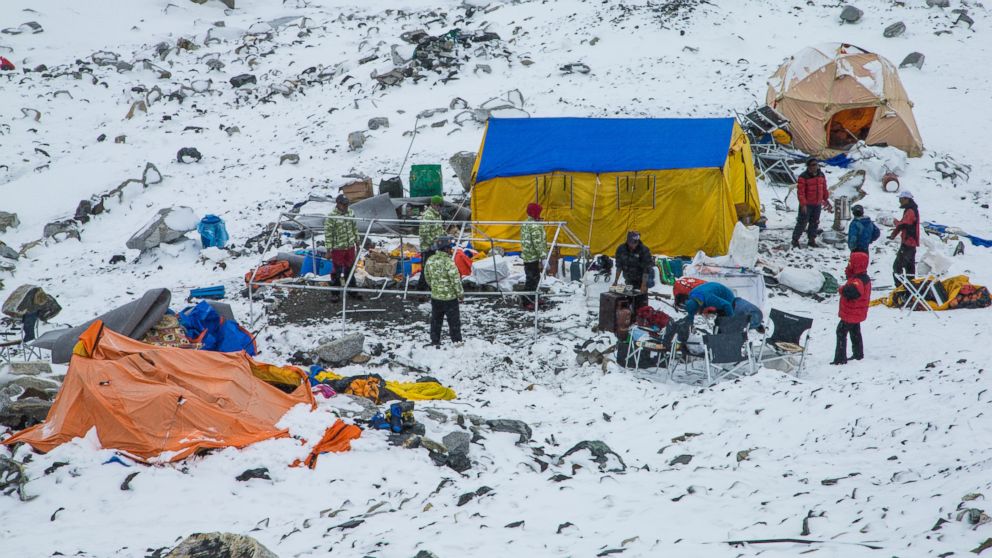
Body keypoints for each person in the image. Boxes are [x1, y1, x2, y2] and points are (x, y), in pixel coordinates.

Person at [424, 236, 464, 347]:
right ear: (446, 249)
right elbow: (456, 280)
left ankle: (435, 340)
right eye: (450, 248)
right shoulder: (448, 262)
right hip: (450, 299)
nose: (451, 250)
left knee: (436, 320)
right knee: (454, 321)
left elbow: (427, 277)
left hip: (436, 297)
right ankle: (457, 341)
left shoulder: (430, 260)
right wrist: (460, 294)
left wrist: (435, 288)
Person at [832, 251, 871, 365]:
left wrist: (841, 289)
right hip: (857, 311)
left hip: (851, 312)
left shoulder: (858, 281)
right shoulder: (863, 277)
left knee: (841, 331)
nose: (849, 264)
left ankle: (840, 359)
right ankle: (858, 354)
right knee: (855, 331)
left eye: (851, 262)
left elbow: (852, 292)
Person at [792, 158, 833, 248]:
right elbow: (801, 192)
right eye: (813, 165)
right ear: (809, 167)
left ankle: (811, 240)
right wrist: (803, 204)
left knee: (815, 222)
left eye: (816, 164)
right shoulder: (803, 177)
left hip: (817, 203)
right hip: (807, 204)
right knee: (802, 222)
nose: (815, 167)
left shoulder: (821, 175)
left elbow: (824, 188)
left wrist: (826, 199)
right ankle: (795, 240)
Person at [324, 194, 359, 294]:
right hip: (338, 248)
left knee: (350, 268)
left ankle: (352, 290)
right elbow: (328, 234)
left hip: (350, 246)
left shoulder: (351, 213)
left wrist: (357, 241)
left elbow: (354, 228)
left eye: (347, 204)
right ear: (338, 204)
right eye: (344, 204)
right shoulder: (331, 217)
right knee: (337, 270)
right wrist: (328, 250)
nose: (346, 206)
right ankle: (335, 293)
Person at [613, 231, 653, 309]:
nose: (635, 244)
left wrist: (643, 285)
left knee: (641, 302)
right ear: (628, 241)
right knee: (629, 300)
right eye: (633, 243)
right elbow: (619, 266)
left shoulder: (644, 250)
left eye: (636, 242)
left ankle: (641, 316)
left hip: (641, 279)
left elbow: (646, 268)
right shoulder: (621, 249)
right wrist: (615, 281)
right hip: (629, 279)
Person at [520, 203, 548, 309]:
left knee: (534, 278)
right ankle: (527, 301)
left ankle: (534, 297)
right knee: (532, 279)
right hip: (533, 257)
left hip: (528, 255)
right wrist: (543, 257)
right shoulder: (534, 225)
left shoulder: (526, 223)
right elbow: (538, 243)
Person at [889, 191, 919, 286]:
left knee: (897, 267)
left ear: (906, 199)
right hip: (911, 243)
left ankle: (900, 288)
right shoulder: (910, 210)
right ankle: (911, 288)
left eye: (901, 199)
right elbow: (903, 224)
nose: (899, 201)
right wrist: (893, 234)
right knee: (909, 268)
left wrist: (895, 222)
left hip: (908, 243)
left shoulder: (910, 211)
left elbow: (904, 224)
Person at [416, 196, 445, 291]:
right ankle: (420, 291)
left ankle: (431, 289)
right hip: (428, 248)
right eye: (439, 205)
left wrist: (444, 236)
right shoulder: (428, 216)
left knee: (434, 268)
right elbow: (424, 234)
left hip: (437, 247)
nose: (440, 207)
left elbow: (439, 229)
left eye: (441, 206)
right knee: (426, 269)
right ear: (434, 205)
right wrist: (432, 244)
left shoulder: (437, 215)